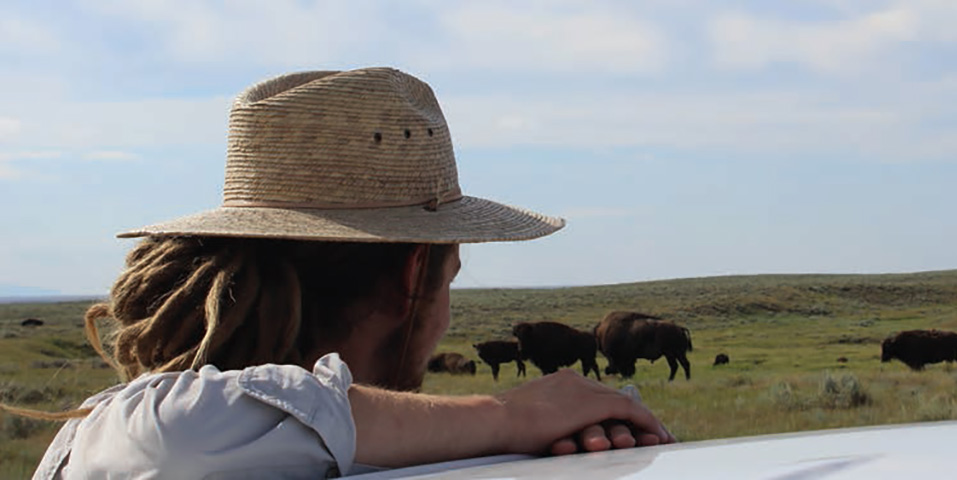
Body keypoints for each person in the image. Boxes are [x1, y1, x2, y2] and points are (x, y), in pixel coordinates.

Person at [20, 67, 674, 478]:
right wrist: (503, 414)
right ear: (414, 274)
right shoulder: (136, 431)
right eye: (451, 278)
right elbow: (171, 437)